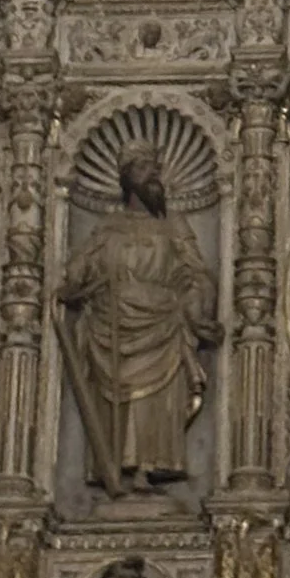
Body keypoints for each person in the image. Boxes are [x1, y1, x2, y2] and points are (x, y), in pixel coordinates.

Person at [55, 147, 221, 495]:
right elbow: (79, 269)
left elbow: (196, 271)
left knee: (156, 401)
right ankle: (116, 466)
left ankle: (151, 466)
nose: (153, 173)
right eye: (144, 167)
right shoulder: (108, 226)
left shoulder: (173, 224)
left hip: (161, 321)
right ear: (127, 176)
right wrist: (74, 281)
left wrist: (196, 307)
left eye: (155, 167)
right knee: (116, 400)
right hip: (112, 322)